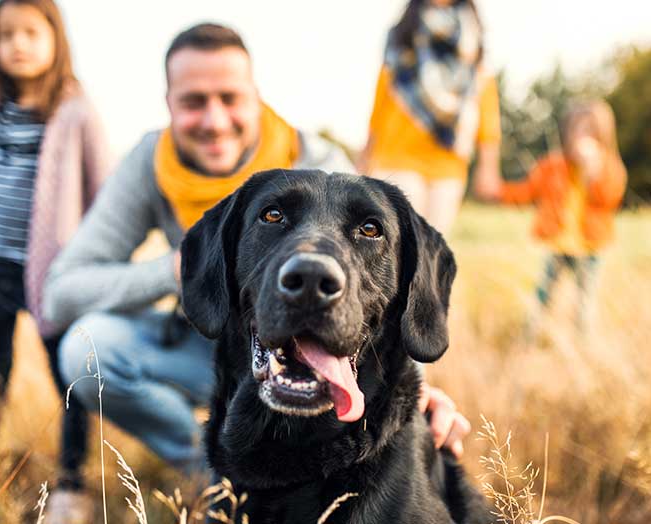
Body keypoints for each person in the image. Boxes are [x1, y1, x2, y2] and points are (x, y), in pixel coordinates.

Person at [43, 23, 473, 521]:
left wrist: (414, 389)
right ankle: (217, 468)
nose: (215, 119)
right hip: (214, 332)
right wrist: (177, 270)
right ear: (168, 102)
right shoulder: (149, 163)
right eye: (194, 101)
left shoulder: (318, 162)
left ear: (256, 97)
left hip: (327, 345)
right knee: (85, 345)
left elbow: (382, 286)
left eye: (230, 97)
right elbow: (61, 292)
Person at [0, 0, 110, 504]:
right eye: (6, 35)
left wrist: (94, 264)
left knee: (68, 373)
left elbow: (104, 194)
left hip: (53, 273)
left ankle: (73, 482)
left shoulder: (75, 110)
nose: (18, 44)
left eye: (30, 32)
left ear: (56, 39)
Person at [478, 100, 627, 330]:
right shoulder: (552, 167)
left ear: (603, 135)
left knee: (585, 300)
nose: (583, 137)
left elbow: (609, 199)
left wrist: (593, 173)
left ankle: (583, 339)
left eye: (590, 131)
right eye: (578, 130)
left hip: (590, 248)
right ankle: (530, 334)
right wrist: (498, 191)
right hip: (558, 244)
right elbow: (527, 191)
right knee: (543, 294)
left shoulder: (609, 168)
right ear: (568, 133)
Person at [360, 0, 501, 233]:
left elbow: (485, 101)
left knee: (433, 245)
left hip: (448, 161)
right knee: (399, 240)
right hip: (396, 155)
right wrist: (365, 155)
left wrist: (488, 165)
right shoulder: (402, 34)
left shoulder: (473, 39)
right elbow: (382, 96)